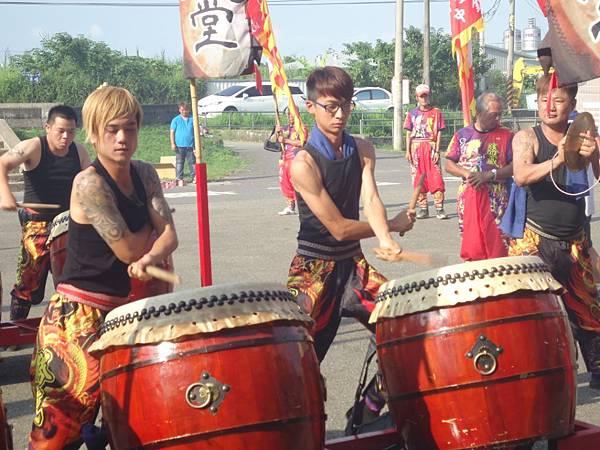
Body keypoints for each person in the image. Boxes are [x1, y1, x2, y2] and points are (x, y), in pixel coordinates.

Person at [28, 85, 178, 449]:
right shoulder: (88, 183)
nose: (122, 138)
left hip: (123, 316)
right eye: (112, 129)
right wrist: (147, 248)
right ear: (94, 134)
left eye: (130, 128)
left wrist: (150, 256)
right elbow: (128, 248)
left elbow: (171, 237)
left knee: (127, 426)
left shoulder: (144, 174)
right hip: (76, 322)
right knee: (58, 438)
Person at [287, 66, 415, 420]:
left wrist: (387, 237)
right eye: (330, 106)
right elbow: (340, 228)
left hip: (354, 267)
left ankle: (368, 409)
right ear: (310, 106)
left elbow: (371, 198)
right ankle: (305, 430)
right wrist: (389, 225)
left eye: (346, 105)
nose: (340, 114)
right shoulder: (303, 163)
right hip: (315, 271)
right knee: (294, 362)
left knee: (406, 329)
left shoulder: (362, 148)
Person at [510, 74, 600, 389]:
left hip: (575, 239)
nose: (549, 106)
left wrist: (595, 152)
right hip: (533, 239)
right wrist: (558, 158)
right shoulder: (526, 137)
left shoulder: (586, 135)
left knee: (590, 313)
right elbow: (521, 175)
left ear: (572, 105)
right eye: (544, 100)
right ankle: (534, 377)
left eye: (558, 100)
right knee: (532, 313)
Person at [0, 105, 91, 320]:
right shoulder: (33, 146)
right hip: (37, 224)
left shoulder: (79, 151)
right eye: (61, 130)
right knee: (29, 279)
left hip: (69, 223)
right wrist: (5, 194)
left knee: (74, 280)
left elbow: (92, 181)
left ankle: (72, 327)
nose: (66, 136)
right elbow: (2, 163)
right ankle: (16, 326)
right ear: (47, 127)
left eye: (71, 131)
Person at [444, 92, 513, 260]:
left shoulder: (508, 136)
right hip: (469, 195)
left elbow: (515, 166)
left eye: (500, 114)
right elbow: (448, 164)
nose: (498, 119)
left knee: (498, 243)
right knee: (472, 243)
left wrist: (490, 175)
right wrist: (466, 173)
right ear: (479, 114)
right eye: (493, 115)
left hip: (496, 197)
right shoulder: (462, 135)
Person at [404, 84, 447, 219]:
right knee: (418, 179)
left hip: (430, 145)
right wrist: (408, 151)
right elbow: (408, 133)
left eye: (426, 96)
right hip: (416, 147)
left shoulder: (436, 113)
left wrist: (437, 149)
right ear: (417, 98)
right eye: (421, 96)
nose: (424, 99)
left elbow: (439, 132)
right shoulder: (412, 114)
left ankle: (439, 209)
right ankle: (423, 208)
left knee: (436, 177)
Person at [276, 108, 306, 215]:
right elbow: (276, 141)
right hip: (285, 159)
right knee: (285, 183)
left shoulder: (301, 128)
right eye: (289, 114)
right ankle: (290, 207)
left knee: (298, 184)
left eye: (292, 114)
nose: (290, 117)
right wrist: (277, 131)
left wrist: (285, 140)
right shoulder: (286, 128)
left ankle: (304, 208)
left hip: (295, 159)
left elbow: (302, 142)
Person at [170, 102, 196, 184]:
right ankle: (179, 178)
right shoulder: (176, 120)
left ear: (188, 110)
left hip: (190, 145)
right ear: (179, 110)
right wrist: (172, 143)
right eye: (182, 110)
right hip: (179, 146)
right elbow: (172, 132)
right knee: (179, 163)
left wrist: (196, 146)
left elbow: (196, 132)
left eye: (186, 110)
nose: (184, 112)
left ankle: (195, 177)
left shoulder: (193, 119)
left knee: (192, 162)